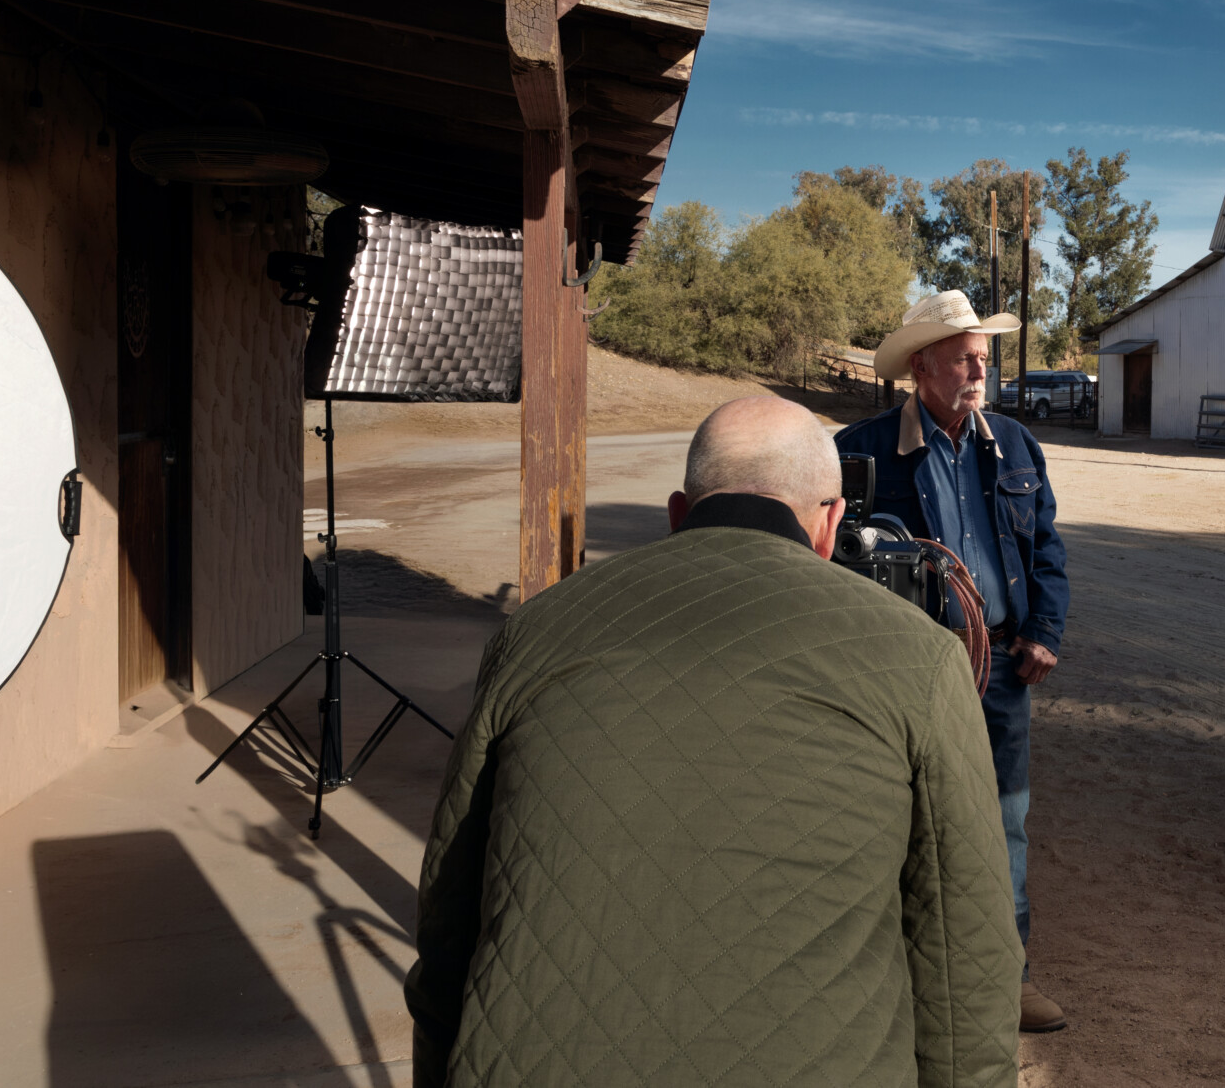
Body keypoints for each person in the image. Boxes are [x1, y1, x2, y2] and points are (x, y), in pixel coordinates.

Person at [406, 396, 1023, 1088]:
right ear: (829, 526)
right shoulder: (925, 660)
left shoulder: (532, 632)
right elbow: (965, 962)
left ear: (679, 512)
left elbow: (447, 921)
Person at [834, 290, 1072, 1035]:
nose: (981, 368)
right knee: (897, 816)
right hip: (904, 671)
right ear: (922, 365)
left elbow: (1048, 552)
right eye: (966, 356)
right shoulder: (859, 450)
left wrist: (1044, 628)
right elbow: (829, 559)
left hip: (1001, 667)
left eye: (983, 356)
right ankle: (895, 978)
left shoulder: (1016, 444)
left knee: (1005, 820)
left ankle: (1008, 977)